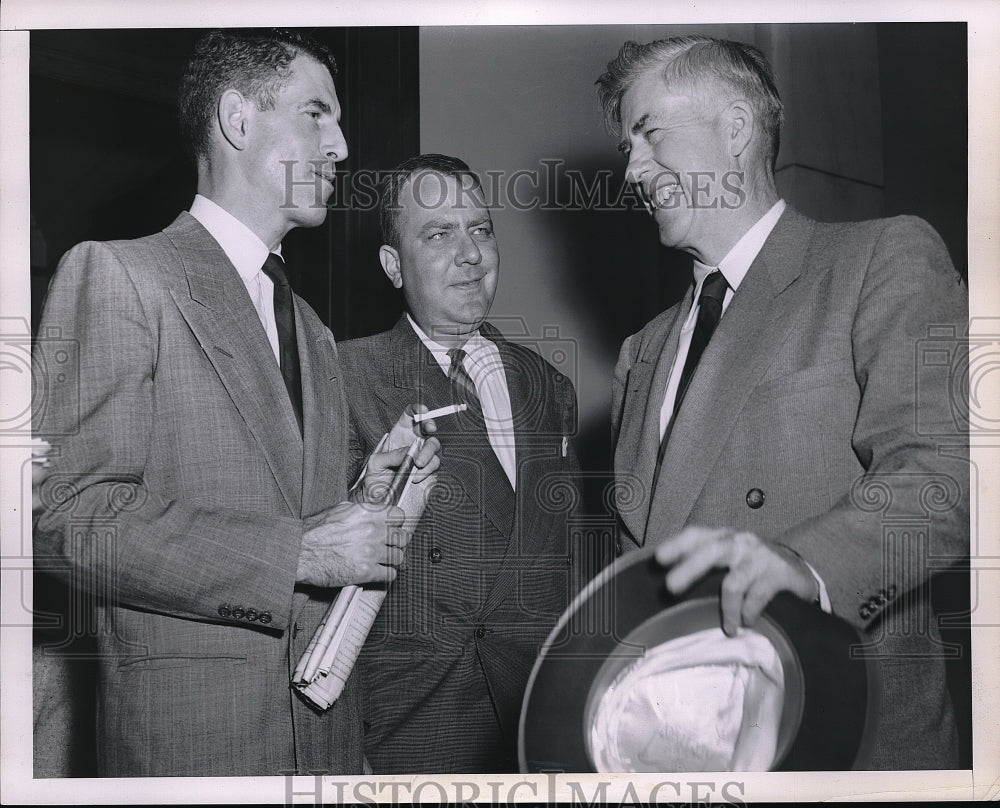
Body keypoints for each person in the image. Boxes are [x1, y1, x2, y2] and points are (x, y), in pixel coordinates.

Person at [32, 28, 438, 777]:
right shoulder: (121, 275)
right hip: (195, 750)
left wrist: (364, 496)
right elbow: (66, 516)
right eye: (316, 114)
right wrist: (301, 552)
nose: (342, 146)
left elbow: (286, 513)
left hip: (323, 750)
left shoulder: (311, 327)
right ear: (237, 119)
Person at [598, 36, 969, 769]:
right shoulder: (642, 350)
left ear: (736, 129)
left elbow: (948, 475)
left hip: (845, 742)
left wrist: (805, 565)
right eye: (626, 149)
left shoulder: (879, 259)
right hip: (688, 755)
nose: (633, 171)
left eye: (650, 134)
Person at [337, 154, 580, 773]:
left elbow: (568, 565)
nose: (470, 254)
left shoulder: (548, 385)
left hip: (539, 727)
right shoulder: (343, 377)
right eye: (439, 234)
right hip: (415, 731)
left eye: (481, 229)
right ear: (393, 265)